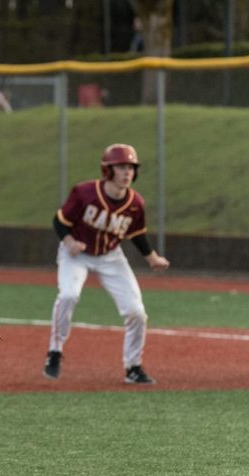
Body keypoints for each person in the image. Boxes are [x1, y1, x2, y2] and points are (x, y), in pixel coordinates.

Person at [43, 143, 169, 384]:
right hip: (76, 253)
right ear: (108, 170)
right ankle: (55, 351)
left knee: (137, 312)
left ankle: (133, 367)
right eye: (121, 167)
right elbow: (59, 222)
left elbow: (136, 233)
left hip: (111, 256)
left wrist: (151, 257)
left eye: (131, 167)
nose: (127, 172)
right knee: (69, 295)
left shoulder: (135, 203)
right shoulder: (84, 193)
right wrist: (69, 241)